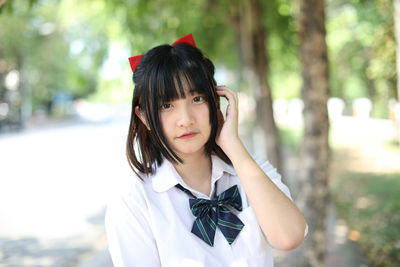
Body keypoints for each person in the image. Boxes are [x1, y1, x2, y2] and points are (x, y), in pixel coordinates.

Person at [105, 33, 307, 267]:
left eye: (197, 98)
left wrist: (233, 145)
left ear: (216, 99)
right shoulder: (134, 200)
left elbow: (290, 237)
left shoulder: (252, 170)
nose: (185, 119)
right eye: (166, 105)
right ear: (144, 116)